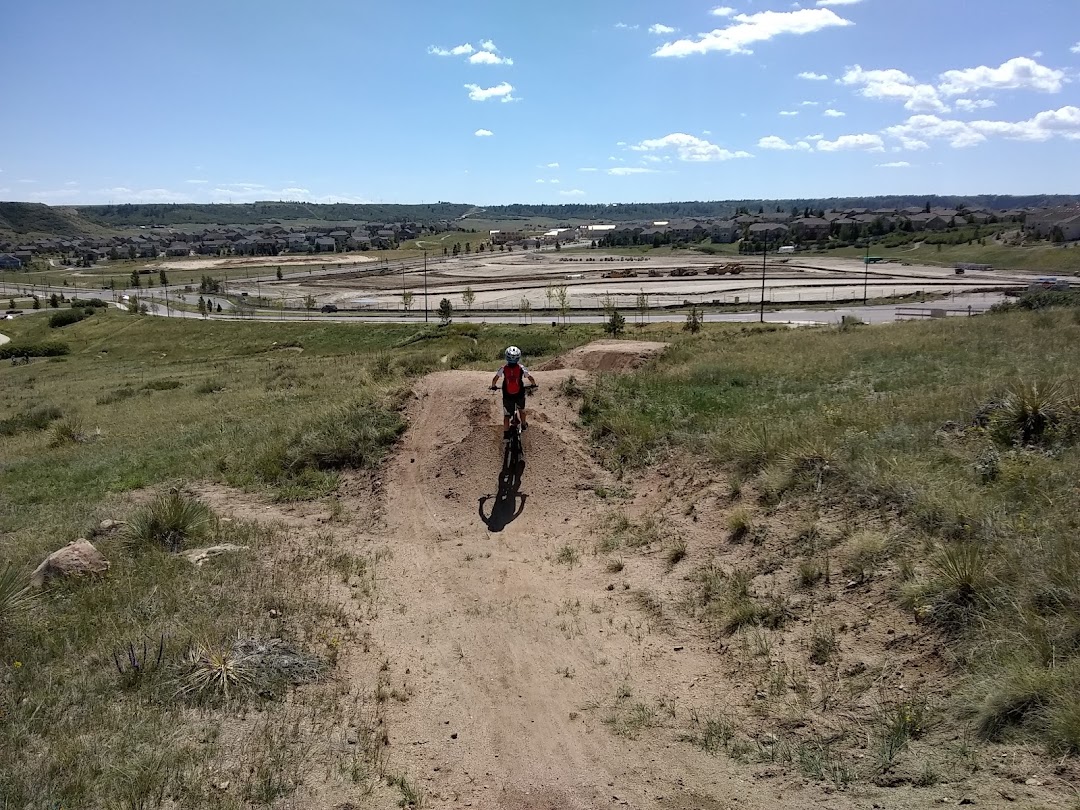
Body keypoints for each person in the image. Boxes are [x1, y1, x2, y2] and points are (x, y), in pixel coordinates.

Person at [491, 346, 537, 439]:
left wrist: (493, 386)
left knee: (507, 415)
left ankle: (506, 433)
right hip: (519, 394)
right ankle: (524, 425)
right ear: (518, 357)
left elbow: (495, 379)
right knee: (522, 410)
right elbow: (530, 378)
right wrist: (533, 384)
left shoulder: (503, 368)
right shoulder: (521, 368)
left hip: (507, 395)